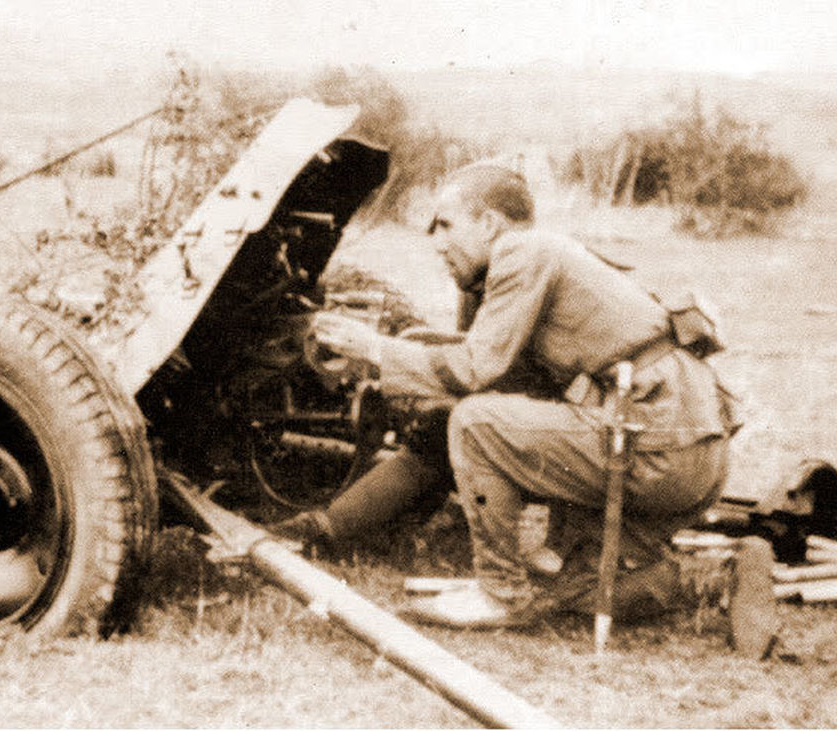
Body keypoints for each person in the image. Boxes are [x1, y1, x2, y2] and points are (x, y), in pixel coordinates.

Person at [310, 163, 741, 628]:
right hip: (695, 456)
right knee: (578, 592)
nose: (438, 242)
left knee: (476, 424)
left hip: (653, 445)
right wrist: (407, 357)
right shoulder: (551, 256)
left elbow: (475, 369)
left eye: (447, 225)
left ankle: (500, 593)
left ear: (489, 223)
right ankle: (716, 578)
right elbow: (502, 369)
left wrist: (374, 349)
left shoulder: (520, 250)